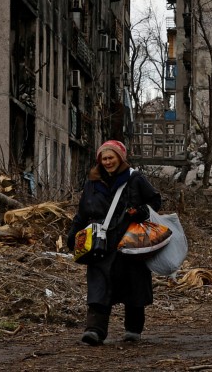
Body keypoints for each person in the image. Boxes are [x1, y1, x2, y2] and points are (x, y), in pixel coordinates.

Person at [68, 139, 162, 345]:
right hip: (100, 243)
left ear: (120, 158)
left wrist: (141, 211)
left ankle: (133, 330)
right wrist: (73, 235)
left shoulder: (135, 179)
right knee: (98, 285)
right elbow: (82, 213)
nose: (108, 162)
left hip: (130, 242)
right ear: (99, 160)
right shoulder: (92, 183)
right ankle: (95, 330)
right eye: (104, 158)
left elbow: (155, 201)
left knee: (134, 285)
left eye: (111, 157)